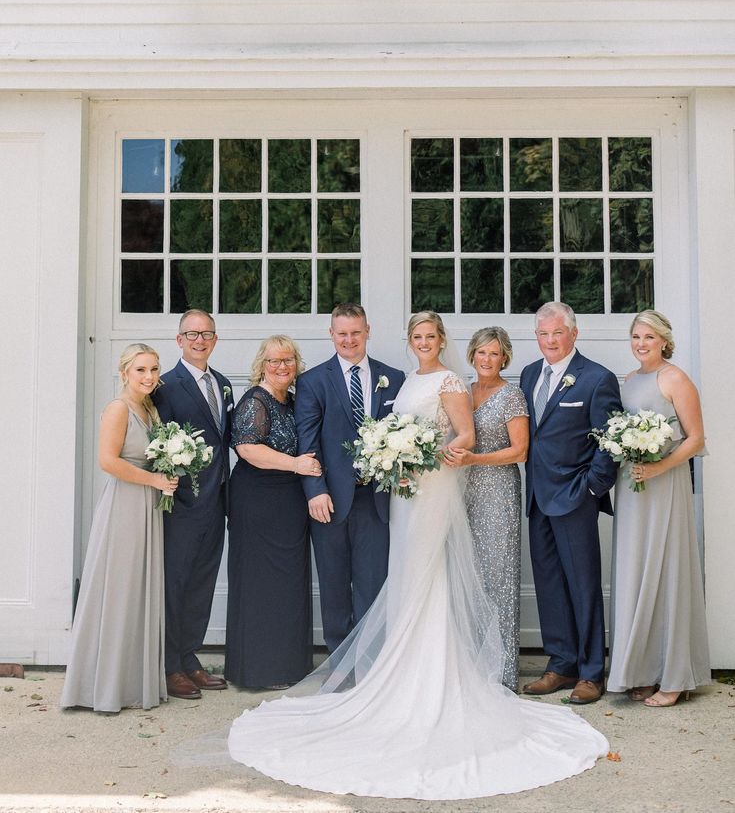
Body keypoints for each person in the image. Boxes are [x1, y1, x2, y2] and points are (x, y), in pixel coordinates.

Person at [222, 311, 609, 799]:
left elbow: (462, 435)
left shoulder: (433, 378)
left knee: (427, 574)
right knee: (399, 578)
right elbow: (324, 434)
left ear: (440, 340)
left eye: (431, 336)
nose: (424, 342)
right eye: (417, 337)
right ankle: (379, 672)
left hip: (426, 490)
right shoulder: (380, 380)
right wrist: (387, 461)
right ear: (407, 341)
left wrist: (428, 457)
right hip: (396, 492)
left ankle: (428, 673)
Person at [60, 344, 177, 712]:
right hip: (125, 505)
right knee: (119, 590)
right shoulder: (118, 409)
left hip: (148, 507)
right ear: (124, 372)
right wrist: (155, 480)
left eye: (154, 369)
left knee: (139, 591)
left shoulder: (151, 408)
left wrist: (167, 475)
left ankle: (133, 682)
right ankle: (104, 687)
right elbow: (108, 462)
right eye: (140, 370)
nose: (149, 376)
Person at [520, 302, 621, 706]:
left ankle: (591, 672)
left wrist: (592, 488)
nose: (549, 341)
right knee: (548, 584)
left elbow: (608, 440)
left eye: (556, 333)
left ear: (573, 334)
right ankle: (561, 664)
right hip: (538, 498)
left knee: (583, 585)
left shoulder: (597, 378)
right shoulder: (529, 374)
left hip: (575, 498)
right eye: (543, 334)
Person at [607, 310, 710, 706]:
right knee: (635, 571)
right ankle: (642, 669)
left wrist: (658, 467)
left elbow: (696, 438)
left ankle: (674, 677)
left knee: (666, 569)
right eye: (636, 336)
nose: (641, 343)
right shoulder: (629, 381)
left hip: (665, 485)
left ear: (664, 340)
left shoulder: (675, 378)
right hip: (632, 488)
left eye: (649, 337)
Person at [294, 303, 404, 653]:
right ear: (331, 334)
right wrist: (315, 491)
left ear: (367, 331)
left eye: (356, 332)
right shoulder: (312, 381)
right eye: (342, 333)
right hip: (330, 499)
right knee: (334, 583)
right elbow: (307, 442)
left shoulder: (395, 378)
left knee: (373, 584)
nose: (349, 339)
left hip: (376, 499)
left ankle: (371, 660)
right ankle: (339, 662)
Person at [225, 336, 315, 690]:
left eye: (288, 360)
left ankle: (287, 667)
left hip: (289, 503)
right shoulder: (256, 401)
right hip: (257, 501)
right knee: (258, 584)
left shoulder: (292, 401)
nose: (282, 367)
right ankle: (256, 671)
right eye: (274, 361)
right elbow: (247, 449)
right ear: (262, 364)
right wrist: (296, 464)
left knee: (287, 585)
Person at [155, 309, 233, 700]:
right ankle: (170, 666)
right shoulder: (166, 386)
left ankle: (190, 658)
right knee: (176, 585)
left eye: (206, 334)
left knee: (202, 584)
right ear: (179, 340)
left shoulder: (222, 383)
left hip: (217, 502)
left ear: (215, 340)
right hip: (182, 506)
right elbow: (159, 447)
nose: (199, 340)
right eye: (192, 334)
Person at [447, 325, 528, 691]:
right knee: (468, 576)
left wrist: (474, 459)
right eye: (481, 352)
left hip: (498, 491)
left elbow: (519, 451)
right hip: (462, 491)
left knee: (499, 577)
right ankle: (470, 665)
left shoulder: (511, 396)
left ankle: (501, 670)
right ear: (472, 355)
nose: (487, 359)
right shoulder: (463, 391)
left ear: (504, 357)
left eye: (494, 353)